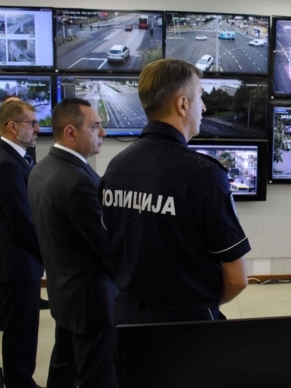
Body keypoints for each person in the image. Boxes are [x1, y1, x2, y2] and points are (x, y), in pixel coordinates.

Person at [99, 58, 250, 324]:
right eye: (200, 97)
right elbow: (237, 280)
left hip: (125, 321)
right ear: (183, 104)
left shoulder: (116, 167)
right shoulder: (205, 175)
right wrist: (202, 304)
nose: (203, 107)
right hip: (187, 328)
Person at [28, 98, 117, 387]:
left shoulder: (41, 169)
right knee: (96, 375)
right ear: (70, 132)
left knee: (64, 368)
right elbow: (106, 246)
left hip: (64, 292)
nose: (102, 133)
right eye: (95, 126)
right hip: (90, 301)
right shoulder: (77, 181)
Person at [0, 99, 44, 388]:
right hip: (16, 261)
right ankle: (20, 383)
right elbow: (23, 221)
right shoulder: (6, 163)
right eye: (32, 123)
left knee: (21, 327)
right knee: (21, 330)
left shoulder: (7, 156)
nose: (37, 129)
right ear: (12, 126)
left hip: (12, 257)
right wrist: (51, 253)